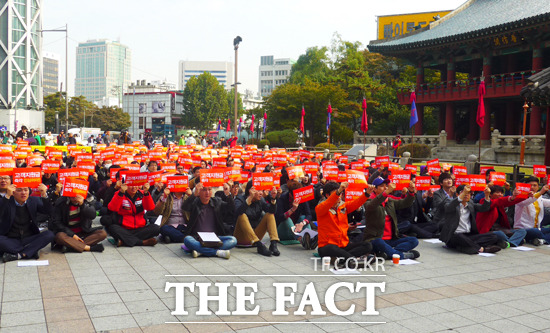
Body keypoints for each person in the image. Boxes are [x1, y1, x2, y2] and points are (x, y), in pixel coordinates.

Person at [364, 178, 420, 259]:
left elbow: (405, 203)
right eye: (382, 186)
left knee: (413, 240)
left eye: (386, 186)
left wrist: (411, 192)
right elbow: (372, 205)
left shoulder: (389, 201)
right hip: (376, 239)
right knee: (378, 242)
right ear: (375, 189)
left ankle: (388, 252)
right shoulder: (369, 201)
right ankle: (400, 255)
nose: (386, 188)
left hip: (391, 239)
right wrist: (386, 193)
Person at [316, 181, 373, 261]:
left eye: (341, 193)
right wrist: (338, 191)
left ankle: (344, 259)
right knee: (332, 248)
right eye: (337, 193)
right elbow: (328, 203)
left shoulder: (343, 206)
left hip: (343, 245)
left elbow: (356, 203)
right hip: (327, 246)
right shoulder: (320, 207)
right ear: (327, 195)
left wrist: (367, 193)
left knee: (367, 245)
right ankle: (354, 258)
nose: (339, 196)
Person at [440, 185, 504, 254]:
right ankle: (482, 249)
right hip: (454, 236)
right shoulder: (450, 202)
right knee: (459, 236)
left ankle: (463, 246)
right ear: (457, 194)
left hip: (468, 235)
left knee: (493, 236)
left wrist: (487, 195)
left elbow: (484, 208)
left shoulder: (470, 203)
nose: (466, 195)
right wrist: (464, 193)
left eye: (468, 193)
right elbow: (449, 206)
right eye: (463, 193)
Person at [0, 183, 55, 262]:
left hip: (29, 237)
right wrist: (7, 196)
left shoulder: (33, 200)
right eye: (19, 190)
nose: (23, 193)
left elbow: (49, 211)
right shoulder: (7, 201)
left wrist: (44, 194)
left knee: (49, 234)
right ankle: (32, 250)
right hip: (11, 239)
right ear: (13, 192)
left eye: (26, 190)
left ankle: (20, 255)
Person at [182, 182, 237, 258]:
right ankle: (217, 252)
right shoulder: (195, 202)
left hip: (215, 237)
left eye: (209, 189)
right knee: (187, 240)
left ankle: (201, 251)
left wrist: (228, 194)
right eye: (204, 190)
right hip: (197, 238)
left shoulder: (217, 201)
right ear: (199, 192)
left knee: (233, 240)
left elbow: (231, 209)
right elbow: (185, 207)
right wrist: (194, 194)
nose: (207, 192)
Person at [106, 182, 160, 247]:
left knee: (156, 228)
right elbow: (112, 208)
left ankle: (124, 241)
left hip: (140, 229)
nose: (134, 187)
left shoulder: (142, 194)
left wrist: (146, 193)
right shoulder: (120, 193)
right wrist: (121, 192)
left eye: (136, 185)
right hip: (124, 228)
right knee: (112, 228)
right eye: (131, 185)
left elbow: (150, 208)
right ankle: (142, 242)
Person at [233, 181, 280, 256]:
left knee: (270, 215)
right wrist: (250, 198)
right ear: (250, 191)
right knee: (242, 215)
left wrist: (273, 198)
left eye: (262, 190)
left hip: (255, 235)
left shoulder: (260, 200)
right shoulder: (239, 199)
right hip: (241, 236)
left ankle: (273, 244)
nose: (261, 193)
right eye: (258, 190)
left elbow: (271, 210)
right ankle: (259, 246)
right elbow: (238, 212)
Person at [275, 180, 315, 248]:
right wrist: (293, 209)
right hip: (283, 231)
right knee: (287, 220)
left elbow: (309, 214)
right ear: (290, 194)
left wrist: (302, 223)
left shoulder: (301, 198)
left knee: (303, 218)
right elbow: (279, 217)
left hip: (296, 228)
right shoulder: (283, 198)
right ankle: (302, 240)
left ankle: (312, 238)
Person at [513, 177, 550, 245]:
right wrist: (541, 192)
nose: (532, 187)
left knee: (539, 231)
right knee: (536, 232)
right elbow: (527, 202)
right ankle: (543, 240)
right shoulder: (520, 196)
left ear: (538, 187)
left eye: (535, 185)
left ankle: (540, 240)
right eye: (530, 185)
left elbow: (548, 202)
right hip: (523, 229)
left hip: (537, 228)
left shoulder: (539, 197)